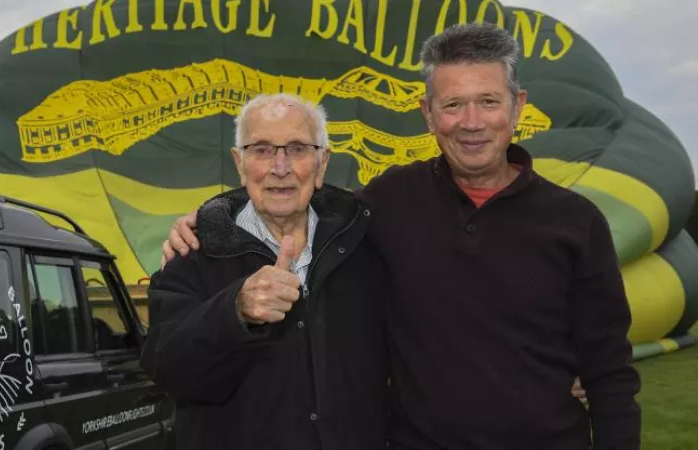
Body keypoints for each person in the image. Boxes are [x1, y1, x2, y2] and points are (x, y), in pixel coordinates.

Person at [161, 23, 641, 450]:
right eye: (452, 105)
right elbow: (293, 189)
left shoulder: (577, 222)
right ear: (429, 114)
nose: (471, 122)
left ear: (517, 107)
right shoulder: (389, 201)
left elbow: (610, 372)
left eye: (488, 101)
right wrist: (214, 217)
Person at [140, 93, 388, 450]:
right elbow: (168, 370)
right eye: (262, 150)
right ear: (240, 164)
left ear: (321, 164)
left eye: (298, 148)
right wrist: (234, 311)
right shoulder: (192, 252)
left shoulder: (365, 245)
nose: (280, 167)